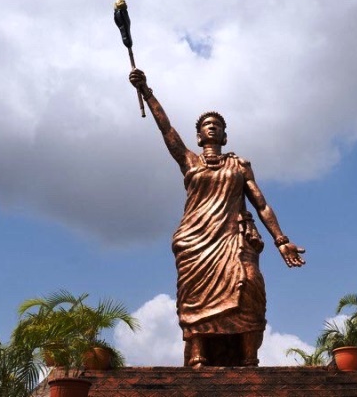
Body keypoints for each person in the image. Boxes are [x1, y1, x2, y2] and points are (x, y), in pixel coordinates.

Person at [129, 69, 305, 367]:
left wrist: (281, 240)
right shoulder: (189, 161)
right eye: (207, 126)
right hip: (195, 240)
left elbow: (261, 204)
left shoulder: (240, 165)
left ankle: (249, 354)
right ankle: (198, 350)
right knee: (194, 293)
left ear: (225, 135)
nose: (212, 128)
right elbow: (166, 130)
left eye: (218, 126)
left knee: (249, 285)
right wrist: (147, 91)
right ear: (198, 136)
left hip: (233, 238)